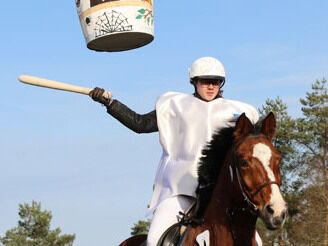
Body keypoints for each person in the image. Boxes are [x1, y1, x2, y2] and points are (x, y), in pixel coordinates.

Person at [89, 57, 260, 246]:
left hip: (221, 195)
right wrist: (110, 103)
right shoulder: (174, 105)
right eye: (205, 81)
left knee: (257, 243)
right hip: (180, 191)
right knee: (154, 241)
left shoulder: (241, 112)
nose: (211, 87)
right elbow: (140, 124)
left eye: (216, 82)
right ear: (194, 81)